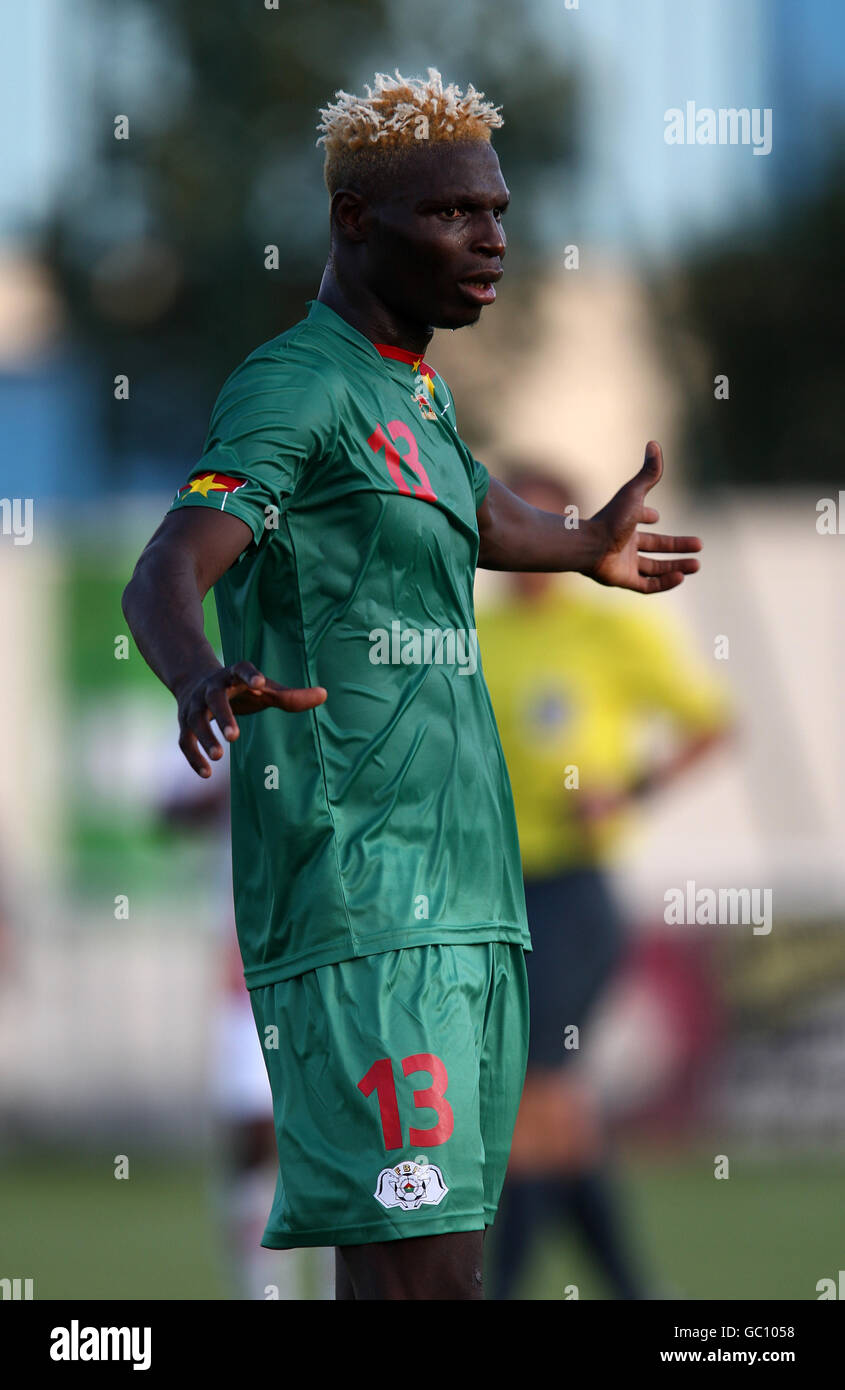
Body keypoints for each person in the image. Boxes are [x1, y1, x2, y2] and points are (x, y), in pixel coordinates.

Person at [121, 68, 702, 1301]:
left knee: (433, 1273)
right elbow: (172, 561)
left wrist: (579, 541)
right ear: (353, 222)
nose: (489, 238)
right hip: (363, 899)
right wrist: (196, 668)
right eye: (451, 213)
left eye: (495, 210)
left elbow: (472, 505)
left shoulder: (415, 387)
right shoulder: (297, 384)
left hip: (471, 898)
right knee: (421, 1282)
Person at [479, 468, 731, 1299]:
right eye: (505, 519)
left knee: (528, 1098)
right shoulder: (475, 632)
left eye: (534, 519)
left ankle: (495, 1286)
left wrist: (630, 791)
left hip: (570, 891)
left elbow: (709, 725)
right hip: (490, 887)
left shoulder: (606, 629)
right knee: (555, 1115)